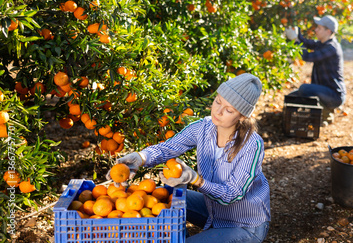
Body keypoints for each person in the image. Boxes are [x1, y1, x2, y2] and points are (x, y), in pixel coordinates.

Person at [107, 73, 270, 243]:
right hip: (212, 210)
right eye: (218, 101)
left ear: (242, 116)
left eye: (228, 110)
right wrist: (140, 157)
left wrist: (196, 180)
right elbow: (168, 148)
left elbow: (232, 194)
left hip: (244, 223)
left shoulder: (252, 144)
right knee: (164, 199)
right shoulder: (203, 128)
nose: (218, 111)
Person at [285, 15, 346, 123]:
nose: (316, 30)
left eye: (319, 28)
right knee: (292, 96)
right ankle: (292, 119)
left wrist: (295, 39)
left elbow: (308, 57)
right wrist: (297, 32)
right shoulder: (323, 44)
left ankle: (325, 112)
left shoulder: (331, 48)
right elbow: (306, 43)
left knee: (304, 89)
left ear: (328, 31)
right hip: (324, 91)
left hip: (334, 95)